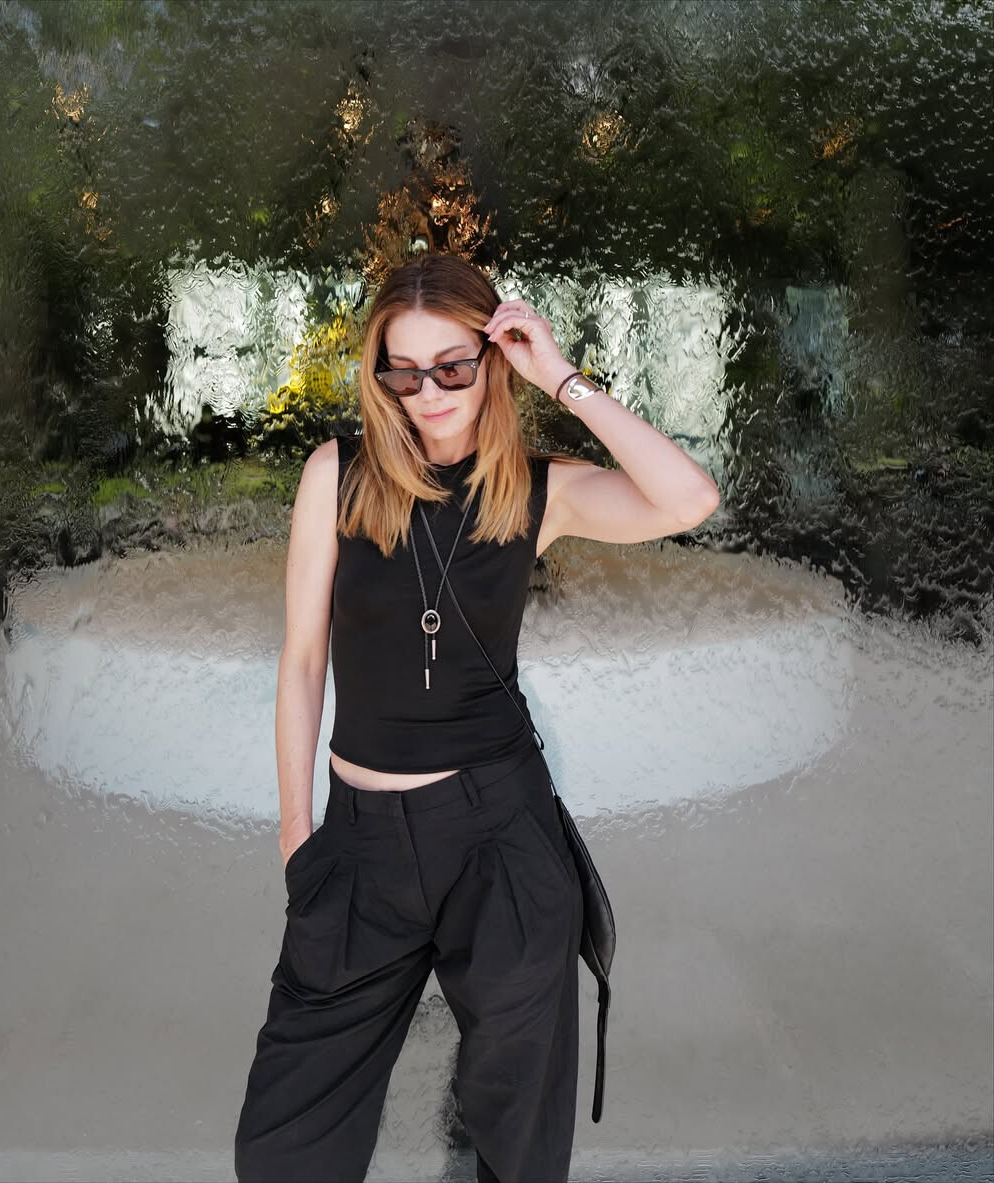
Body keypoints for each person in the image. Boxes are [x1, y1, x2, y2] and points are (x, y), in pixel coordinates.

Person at [234, 253, 719, 1183]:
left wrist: (560, 375)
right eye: (404, 373)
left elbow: (689, 498)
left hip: (500, 832)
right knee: (284, 1142)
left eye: (454, 366)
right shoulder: (338, 474)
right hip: (362, 840)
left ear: (493, 358)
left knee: (517, 1135)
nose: (430, 393)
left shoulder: (539, 488)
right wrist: (298, 834)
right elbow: (301, 662)